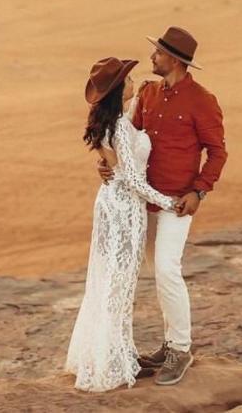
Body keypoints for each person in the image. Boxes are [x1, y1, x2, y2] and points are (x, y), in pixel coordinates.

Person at [97, 27, 228, 387]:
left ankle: (181, 349)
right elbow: (128, 140)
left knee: (168, 270)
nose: (152, 58)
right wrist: (107, 164)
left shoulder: (203, 101)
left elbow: (218, 152)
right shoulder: (148, 93)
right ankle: (169, 345)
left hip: (176, 202)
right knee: (158, 273)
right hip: (142, 203)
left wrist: (199, 191)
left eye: (157, 53)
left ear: (175, 60)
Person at [64, 57, 179, 392]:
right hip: (124, 208)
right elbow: (132, 180)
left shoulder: (115, 121)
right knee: (118, 283)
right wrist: (170, 202)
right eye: (129, 79)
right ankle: (109, 364)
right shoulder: (118, 127)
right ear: (119, 89)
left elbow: (120, 155)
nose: (134, 81)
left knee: (111, 281)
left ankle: (115, 355)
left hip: (112, 202)